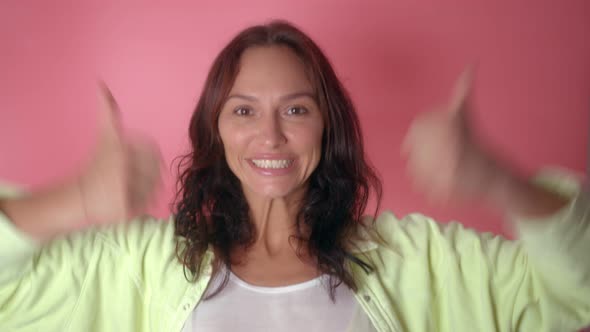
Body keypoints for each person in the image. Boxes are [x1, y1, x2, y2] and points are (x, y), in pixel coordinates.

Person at [0, 20, 588, 332]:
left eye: (297, 109)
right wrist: (75, 198)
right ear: (216, 130)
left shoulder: (418, 259)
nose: (272, 136)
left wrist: (500, 182)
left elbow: (572, 298)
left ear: (328, 127)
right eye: (244, 110)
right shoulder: (140, 267)